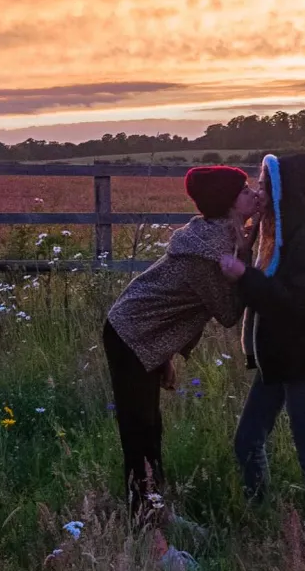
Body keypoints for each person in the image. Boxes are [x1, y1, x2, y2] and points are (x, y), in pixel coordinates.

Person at [103, 165, 259, 522]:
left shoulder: (218, 234)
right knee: (139, 427)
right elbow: (228, 312)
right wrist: (249, 266)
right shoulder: (208, 252)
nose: (252, 195)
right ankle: (143, 514)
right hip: (130, 332)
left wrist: (164, 354)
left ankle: (152, 504)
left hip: (145, 332)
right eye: (245, 190)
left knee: (150, 424)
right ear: (228, 201)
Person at [219, 153, 305, 521]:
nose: (258, 191)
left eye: (265, 184)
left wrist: (245, 276)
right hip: (277, 358)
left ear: (284, 192)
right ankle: (259, 513)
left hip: (303, 361)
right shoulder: (274, 234)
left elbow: (296, 303)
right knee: (247, 442)